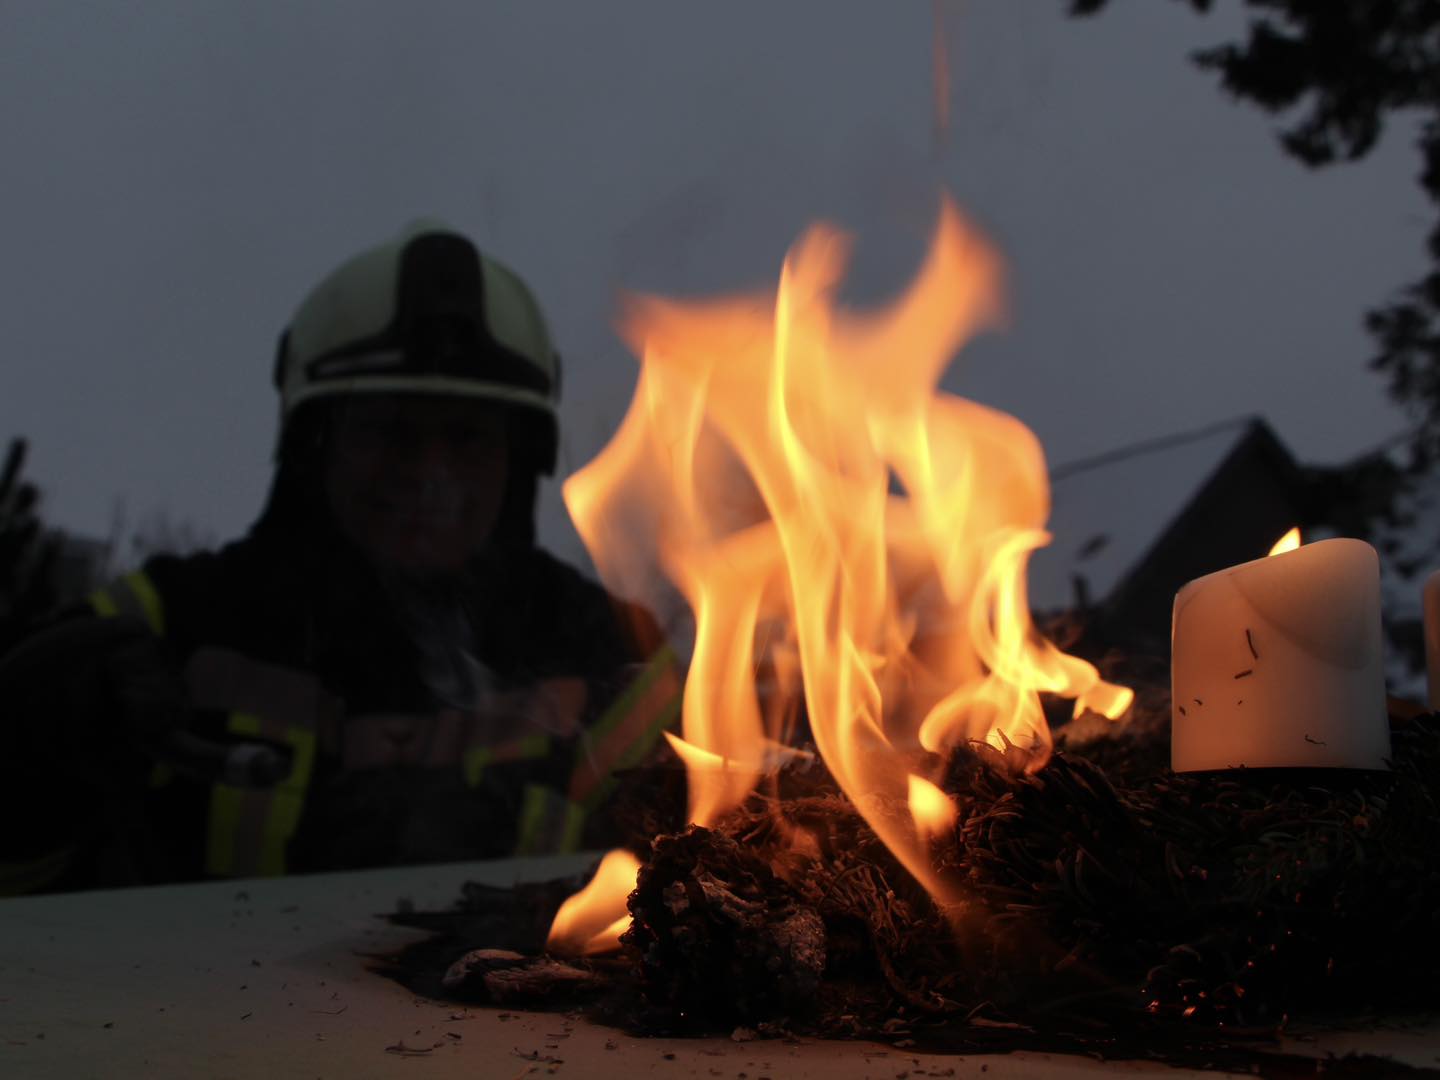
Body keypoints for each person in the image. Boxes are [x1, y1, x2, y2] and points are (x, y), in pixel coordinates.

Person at [0, 223, 681, 894]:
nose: (431, 474)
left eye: (468, 438)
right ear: (313, 449)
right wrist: (29, 782)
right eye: (391, 431)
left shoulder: (613, 659)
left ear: (520, 460)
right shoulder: (159, 627)